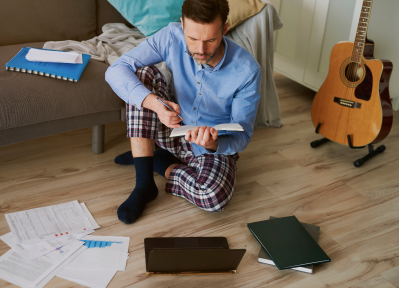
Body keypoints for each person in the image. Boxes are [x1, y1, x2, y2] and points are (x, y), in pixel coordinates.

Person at [105, 0, 261, 224]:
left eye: (210, 40)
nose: (200, 50)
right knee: (140, 74)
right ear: (183, 26)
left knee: (213, 197)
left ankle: (158, 161)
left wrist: (212, 144)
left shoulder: (247, 71)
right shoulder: (171, 35)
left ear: (224, 30)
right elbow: (117, 69)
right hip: (170, 128)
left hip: (209, 148)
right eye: (193, 39)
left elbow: (243, 136)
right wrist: (155, 104)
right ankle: (144, 183)